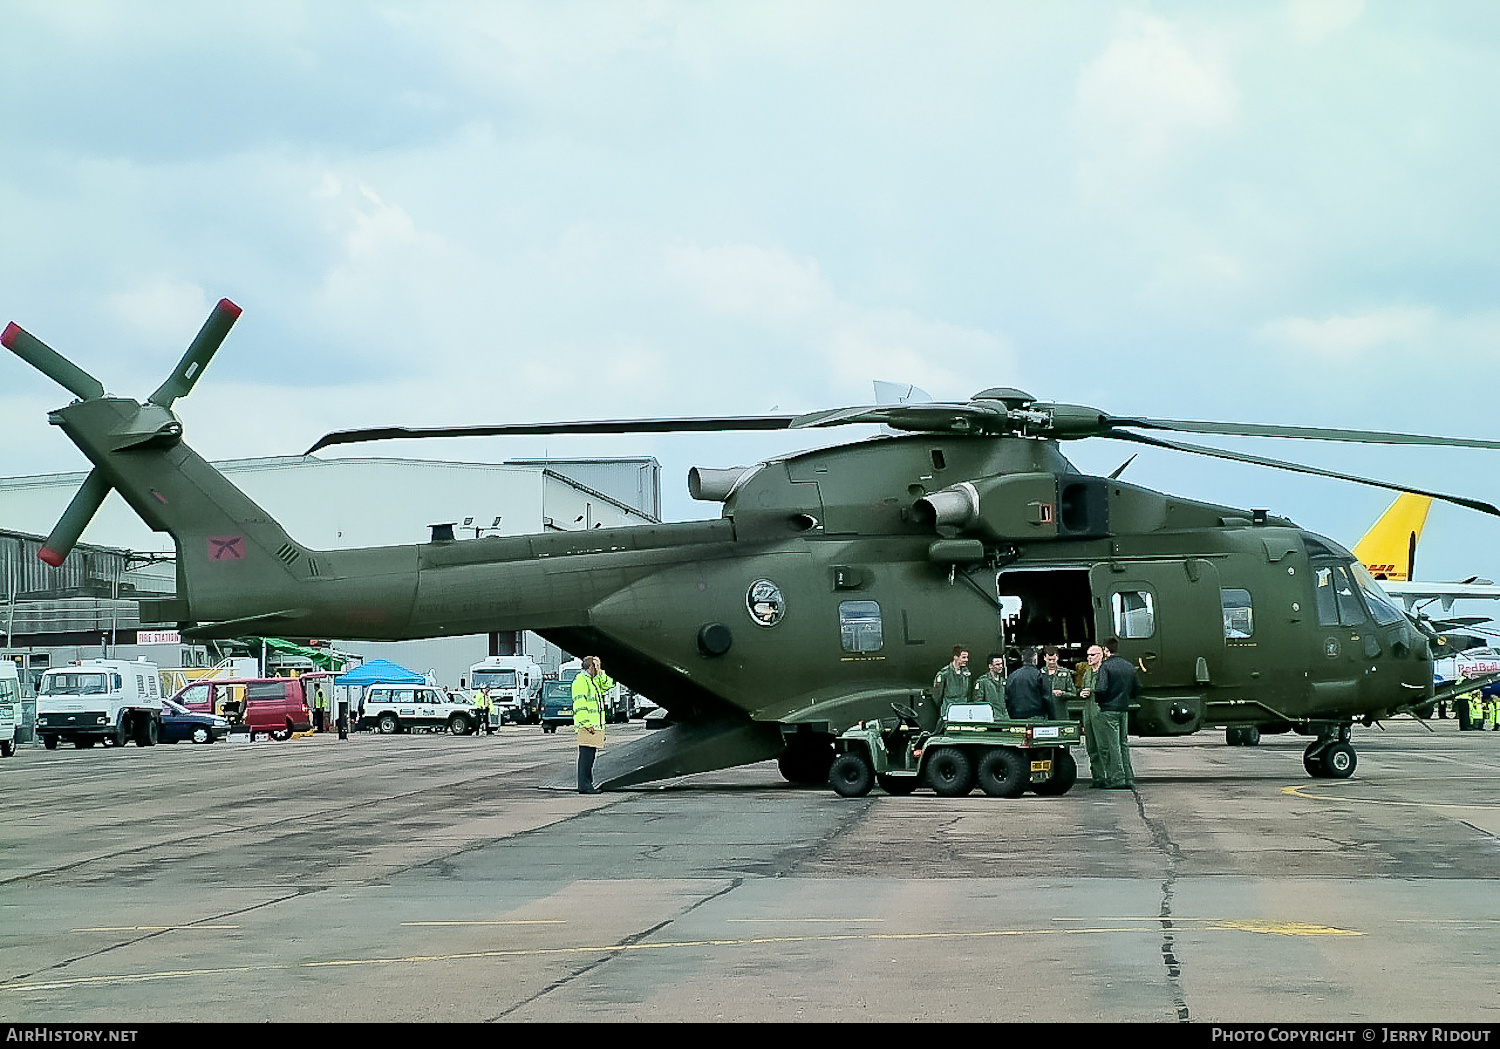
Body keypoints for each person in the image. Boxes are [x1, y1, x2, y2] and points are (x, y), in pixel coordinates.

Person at [1093, 637, 1138, 790]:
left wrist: (1101, 702)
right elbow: (1138, 687)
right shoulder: (1129, 666)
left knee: (1112, 745)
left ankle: (1116, 779)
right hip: (1123, 708)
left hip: (1108, 710)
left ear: (1105, 650)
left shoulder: (1105, 667)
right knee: (1123, 744)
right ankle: (1128, 776)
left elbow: (1101, 689)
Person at [571, 656, 614, 794]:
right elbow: (579, 703)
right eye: (597, 666)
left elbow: (608, 685)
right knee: (586, 756)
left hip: (594, 726)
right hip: (587, 726)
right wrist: (585, 723)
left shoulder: (592, 681)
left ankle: (587, 784)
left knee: (590, 756)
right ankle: (584, 785)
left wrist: (600, 671)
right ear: (591, 667)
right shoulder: (581, 681)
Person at [926, 646, 971, 729]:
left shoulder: (966, 672)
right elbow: (937, 695)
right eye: (963, 657)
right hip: (949, 710)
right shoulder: (944, 673)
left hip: (963, 710)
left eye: (967, 657)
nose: (966, 660)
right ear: (955, 657)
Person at [1078, 644, 1104, 783]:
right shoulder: (1087, 673)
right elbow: (1083, 687)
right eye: (1088, 655)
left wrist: (1092, 691)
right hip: (1088, 711)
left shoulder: (1105, 672)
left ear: (1100, 656)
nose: (1089, 658)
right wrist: (1082, 692)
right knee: (1091, 746)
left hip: (1100, 710)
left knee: (1103, 746)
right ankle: (1097, 777)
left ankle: (1107, 776)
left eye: (1092, 655)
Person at [1004, 648, 1050, 719]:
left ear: (1022, 658)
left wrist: (1012, 714)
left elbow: (1007, 697)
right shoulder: (1039, 675)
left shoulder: (1012, 676)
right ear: (1034, 658)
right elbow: (1046, 697)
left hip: (1016, 716)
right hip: (1036, 715)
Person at [1042, 645, 1076, 721]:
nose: (1051, 662)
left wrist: (1062, 693)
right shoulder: (1039, 674)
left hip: (1060, 714)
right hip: (1044, 714)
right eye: (1049, 660)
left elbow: (1073, 693)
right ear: (1044, 658)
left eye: (1053, 659)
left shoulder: (1065, 673)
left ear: (1057, 657)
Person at [972, 653, 1008, 722]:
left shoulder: (1003, 682)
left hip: (1004, 718)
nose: (1000, 666)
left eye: (1001, 664)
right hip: (989, 719)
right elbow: (978, 703)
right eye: (997, 664)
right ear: (990, 666)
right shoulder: (982, 682)